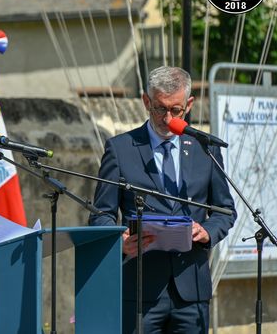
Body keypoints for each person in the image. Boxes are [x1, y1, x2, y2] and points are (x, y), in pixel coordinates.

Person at [89, 66, 237, 333]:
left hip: (191, 291)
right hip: (139, 290)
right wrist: (119, 241)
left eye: (176, 110)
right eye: (159, 108)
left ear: (189, 105)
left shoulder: (206, 148)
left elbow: (224, 210)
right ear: (147, 101)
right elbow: (100, 214)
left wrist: (206, 231)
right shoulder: (120, 149)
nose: (167, 118)